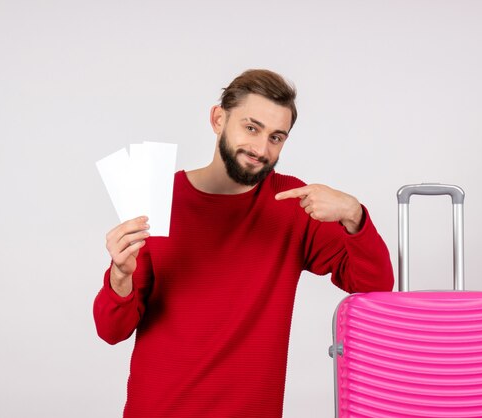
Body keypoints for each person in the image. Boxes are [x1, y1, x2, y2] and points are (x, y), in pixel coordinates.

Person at [93, 69, 394, 418]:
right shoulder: (160, 198)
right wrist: (120, 275)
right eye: (251, 128)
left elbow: (374, 287)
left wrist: (353, 215)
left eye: (276, 137)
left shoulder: (290, 203)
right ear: (218, 119)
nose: (261, 149)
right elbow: (111, 331)